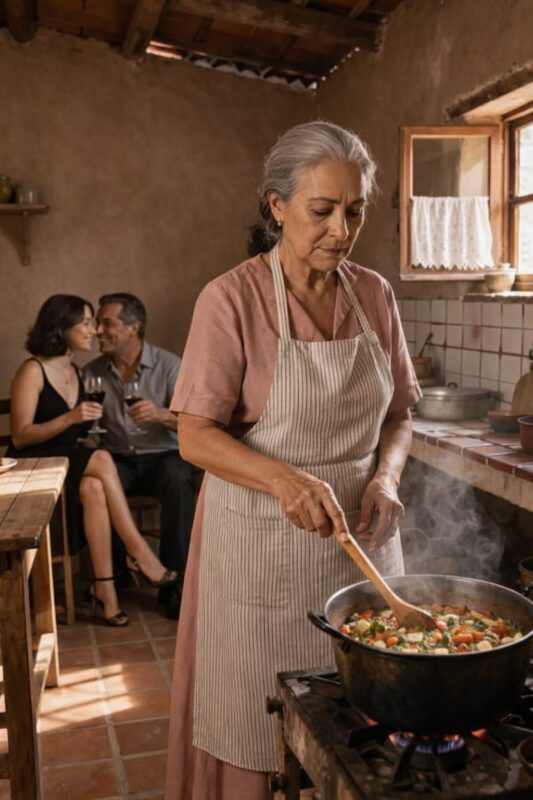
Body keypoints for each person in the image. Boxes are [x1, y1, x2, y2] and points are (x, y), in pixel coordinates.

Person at [164, 120, 423, 799]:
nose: (341, 229)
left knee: (361, 731)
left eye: (355, 211)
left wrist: (387, 476)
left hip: (364, 551)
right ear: (276, 206)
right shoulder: (231, 300)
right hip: (260, 553)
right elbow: (194, 435)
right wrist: (284, 478)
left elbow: (399, 414)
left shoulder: (375, 295)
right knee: (260, 732)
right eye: (322, 210)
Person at [8, 294, 180, 628]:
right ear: (62, 327)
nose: (95, 330)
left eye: (97, 322)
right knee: (101, 459)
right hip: (35, 466)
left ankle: (106, 592)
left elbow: (80, 433)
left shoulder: (78, 372)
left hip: (68, 464)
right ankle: (140, 553)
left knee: (93, 488)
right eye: (87, 322)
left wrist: (83, 430)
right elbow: (20, 437)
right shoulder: (32, 370)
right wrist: (71, 419)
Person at [85, 293, 195, 620]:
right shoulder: (92, 371)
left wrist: (161, 415)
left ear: (133, 328)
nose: (98, 330)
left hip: (165, 455)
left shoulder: (170, 365)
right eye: (97, 323)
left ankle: (174, 584)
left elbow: (195, 423)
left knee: (179, 479)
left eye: (106, 323)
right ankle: (116, 575)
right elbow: (89, 428)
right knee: (96, 483)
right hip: (118, 457)